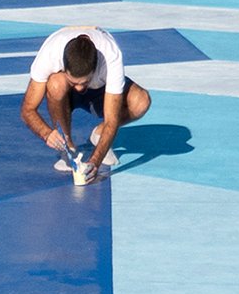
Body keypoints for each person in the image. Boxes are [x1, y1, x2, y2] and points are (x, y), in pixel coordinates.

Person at [20, 23, 149, 181]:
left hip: (99, 91)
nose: (80, 88)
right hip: (65, 95)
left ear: (95, 67)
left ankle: (98, 135)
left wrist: (95, 162)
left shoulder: (111, 56)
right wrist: (47, 134)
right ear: (64, 67)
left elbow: (111, 120)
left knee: (140, 101)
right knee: (55, 84)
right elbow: (28, 109)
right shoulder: (50, 54)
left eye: (84, 82)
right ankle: (67, 146)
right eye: (74, 82)